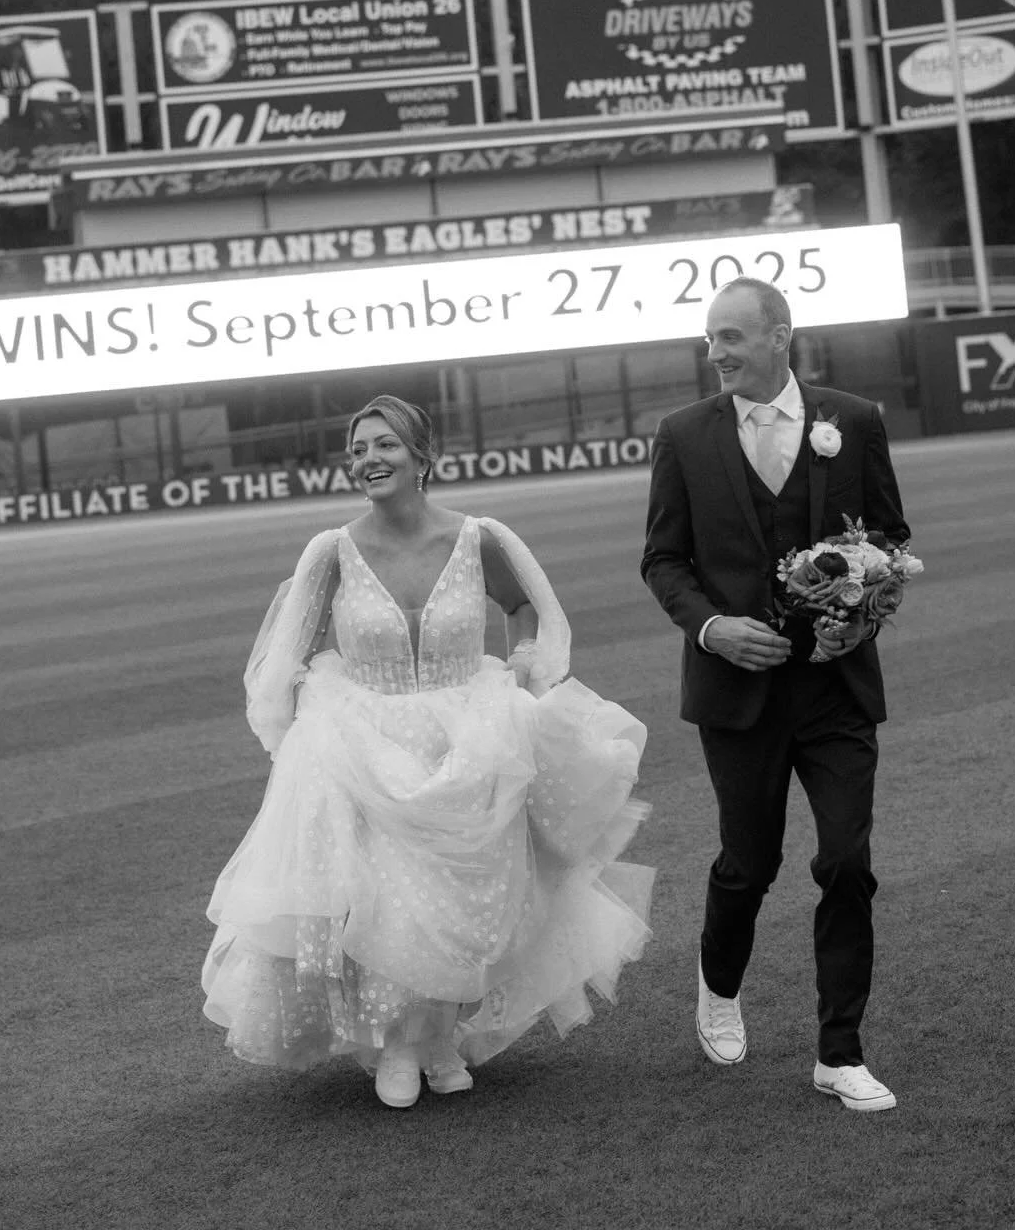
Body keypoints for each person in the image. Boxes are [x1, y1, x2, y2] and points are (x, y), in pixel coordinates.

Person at [202, 394, 652, 1109]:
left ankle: (438, 1036)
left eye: (384, 445)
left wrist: (523, 667)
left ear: (422, 457)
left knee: (462, 896)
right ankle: (398, 1046)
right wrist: (311, 716)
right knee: (388, 898)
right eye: (358, 450)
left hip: (467, 734)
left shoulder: (479, 539)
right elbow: (295, 647)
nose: (369, 460)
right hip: (365, 742)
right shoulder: (332, 551)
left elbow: (524, 607)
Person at [640, 277, 910, 1114]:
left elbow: (890, 538)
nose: (715, 352)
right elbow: (663, 560)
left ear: (779, 335)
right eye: (710, 339)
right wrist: (713, 629)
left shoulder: (853, 421)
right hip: (737, 694)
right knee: (749, 864)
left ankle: (840, 1053)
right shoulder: (683, 434)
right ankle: (719, 987)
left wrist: (860, 617)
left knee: (847, 863)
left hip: (836, 690)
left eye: (730, 336)